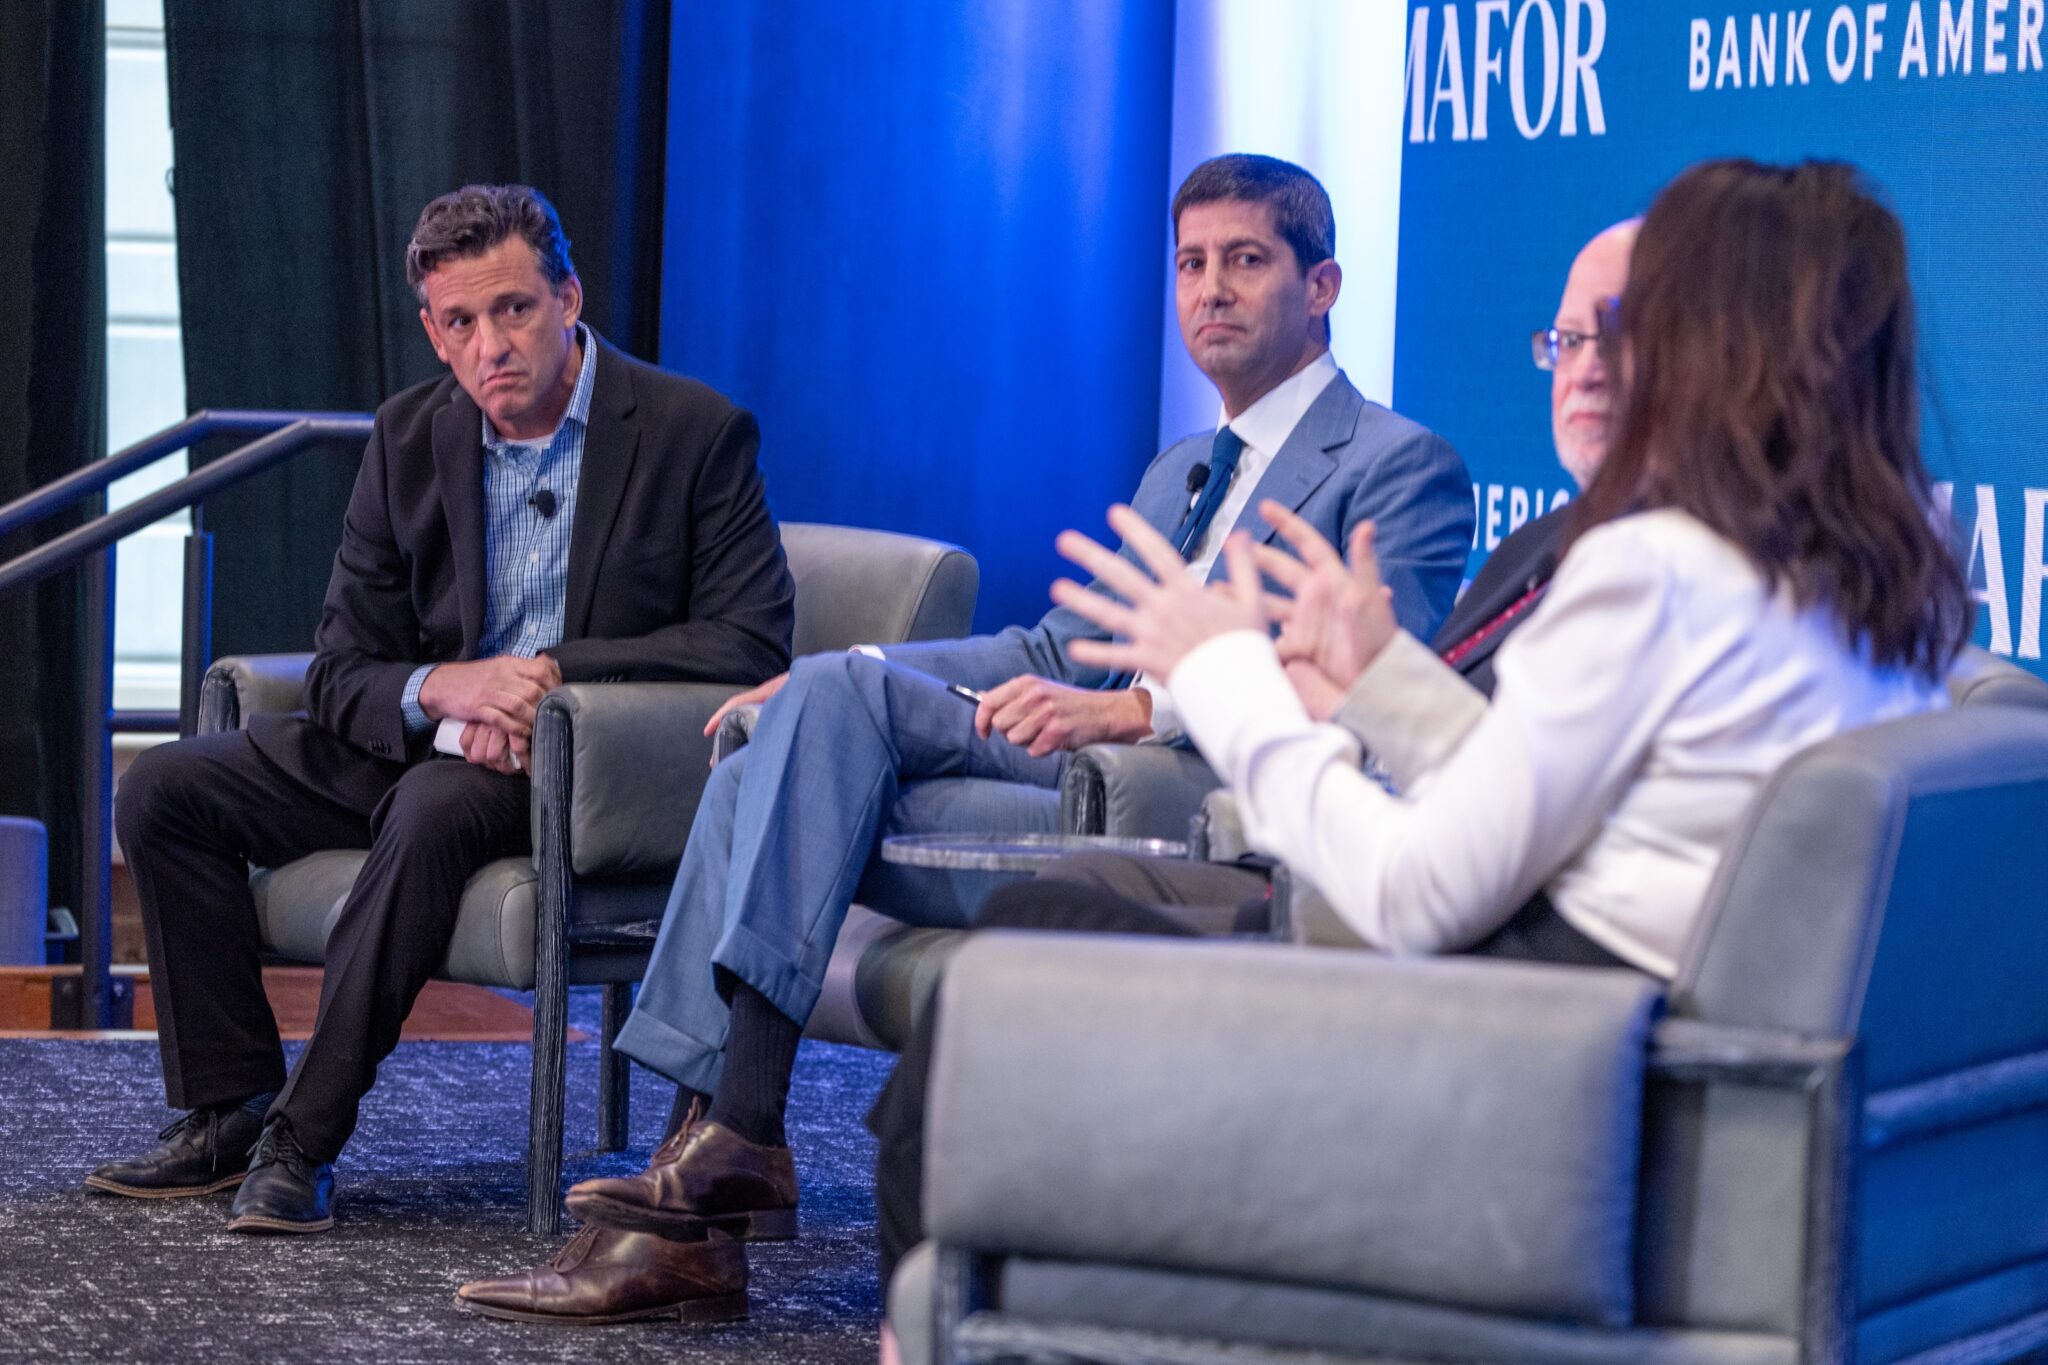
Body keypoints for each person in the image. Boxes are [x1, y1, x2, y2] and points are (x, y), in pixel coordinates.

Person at [865, 155, 1972, 1312]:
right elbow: (1591, 803)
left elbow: (1414, 895)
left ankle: (939, 1327)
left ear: (1715, 342)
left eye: (1636, 322)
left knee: (1017, 958)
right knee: (1054, 934)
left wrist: (1223, 673)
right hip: (1625, 1059)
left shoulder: (1655, 569)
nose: (1606, 356)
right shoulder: (1868, 594)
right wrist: (1382, 685)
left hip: (1514, 1085)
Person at [456, 153, 1474, 1324]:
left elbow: (1361, 680)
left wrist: (1140, 708)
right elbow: (1046, 655)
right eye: (1191, 263)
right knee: (791, 725)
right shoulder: (1182, 468)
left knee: (810, 729)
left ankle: (721, 1150)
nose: (1210, 290)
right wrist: (838, 673)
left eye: (1245, 260)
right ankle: (704, 1196)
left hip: (1171, 800)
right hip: (1058, 747)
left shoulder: (1399, 465)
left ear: (1323, 283)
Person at [89, 184, 795, 1235]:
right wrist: (442, 689)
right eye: (459, 323)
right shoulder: (408, 436)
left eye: (513, 309)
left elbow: (748, 639)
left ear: (567, 297)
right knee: (168, 788)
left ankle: (303, 1136)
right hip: (432, 742)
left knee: (428, 811)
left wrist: (553, 671)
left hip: (578, 774)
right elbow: (339, 666)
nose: (490, 345)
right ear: (432, 329)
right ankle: (230, 1108)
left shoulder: (692, 432)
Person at [1020, 215, 1641, 923]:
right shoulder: (1549, 544)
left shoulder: (1647, 573)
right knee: (1066, 891)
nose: (1584, 369)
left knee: (1053, 912)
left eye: (1617, 334)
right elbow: (1491, 777)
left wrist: (1227, 678)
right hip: (1398, 869)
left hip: (1481, 952)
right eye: (1566, 342)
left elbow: (1432, 883)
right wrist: (1362, 689)